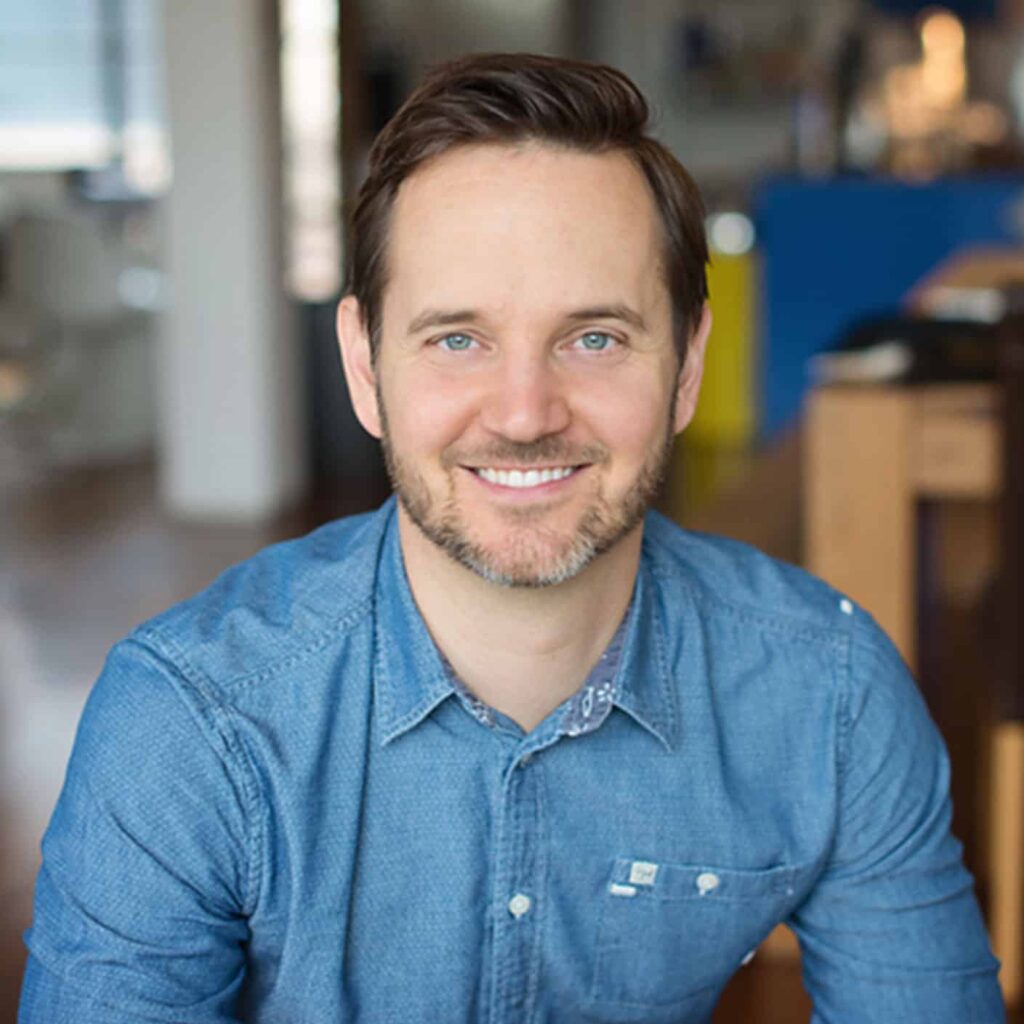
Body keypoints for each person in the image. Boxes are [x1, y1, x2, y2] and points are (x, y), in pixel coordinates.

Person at [19, 53, 1004, 1024]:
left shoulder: (829, 693)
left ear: (687, 366)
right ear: (365, 365)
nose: (525, 413)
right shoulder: (190, 723)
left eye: (594, 338)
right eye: (458, 339)